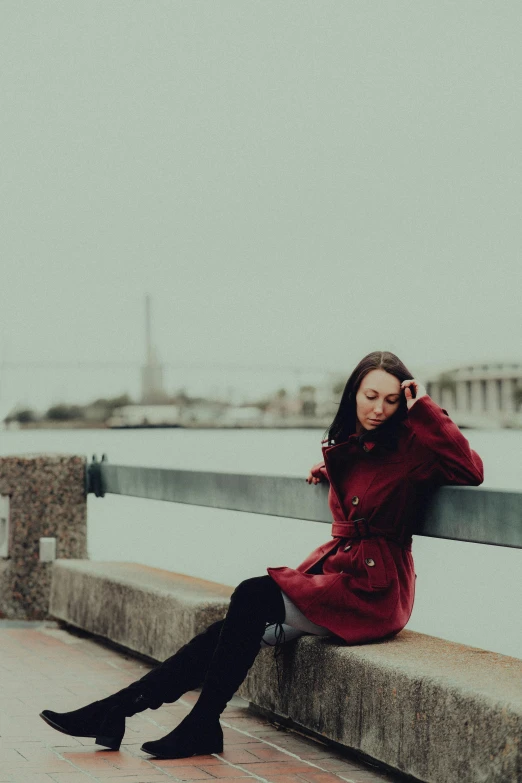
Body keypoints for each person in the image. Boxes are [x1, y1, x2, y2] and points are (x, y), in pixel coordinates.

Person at [39, 350, 484, 760]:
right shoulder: (350, 447)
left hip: (372, 589)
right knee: (228, 629)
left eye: (390, 400)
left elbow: (470, 470)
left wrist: (424, 407)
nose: (379, 409)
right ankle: (116, 710)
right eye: (370, 396)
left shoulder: (413, 448)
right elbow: (366, 482)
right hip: (338, 575)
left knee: (252, 597)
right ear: (353, 395)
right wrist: (331, 468)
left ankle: (198, 724)